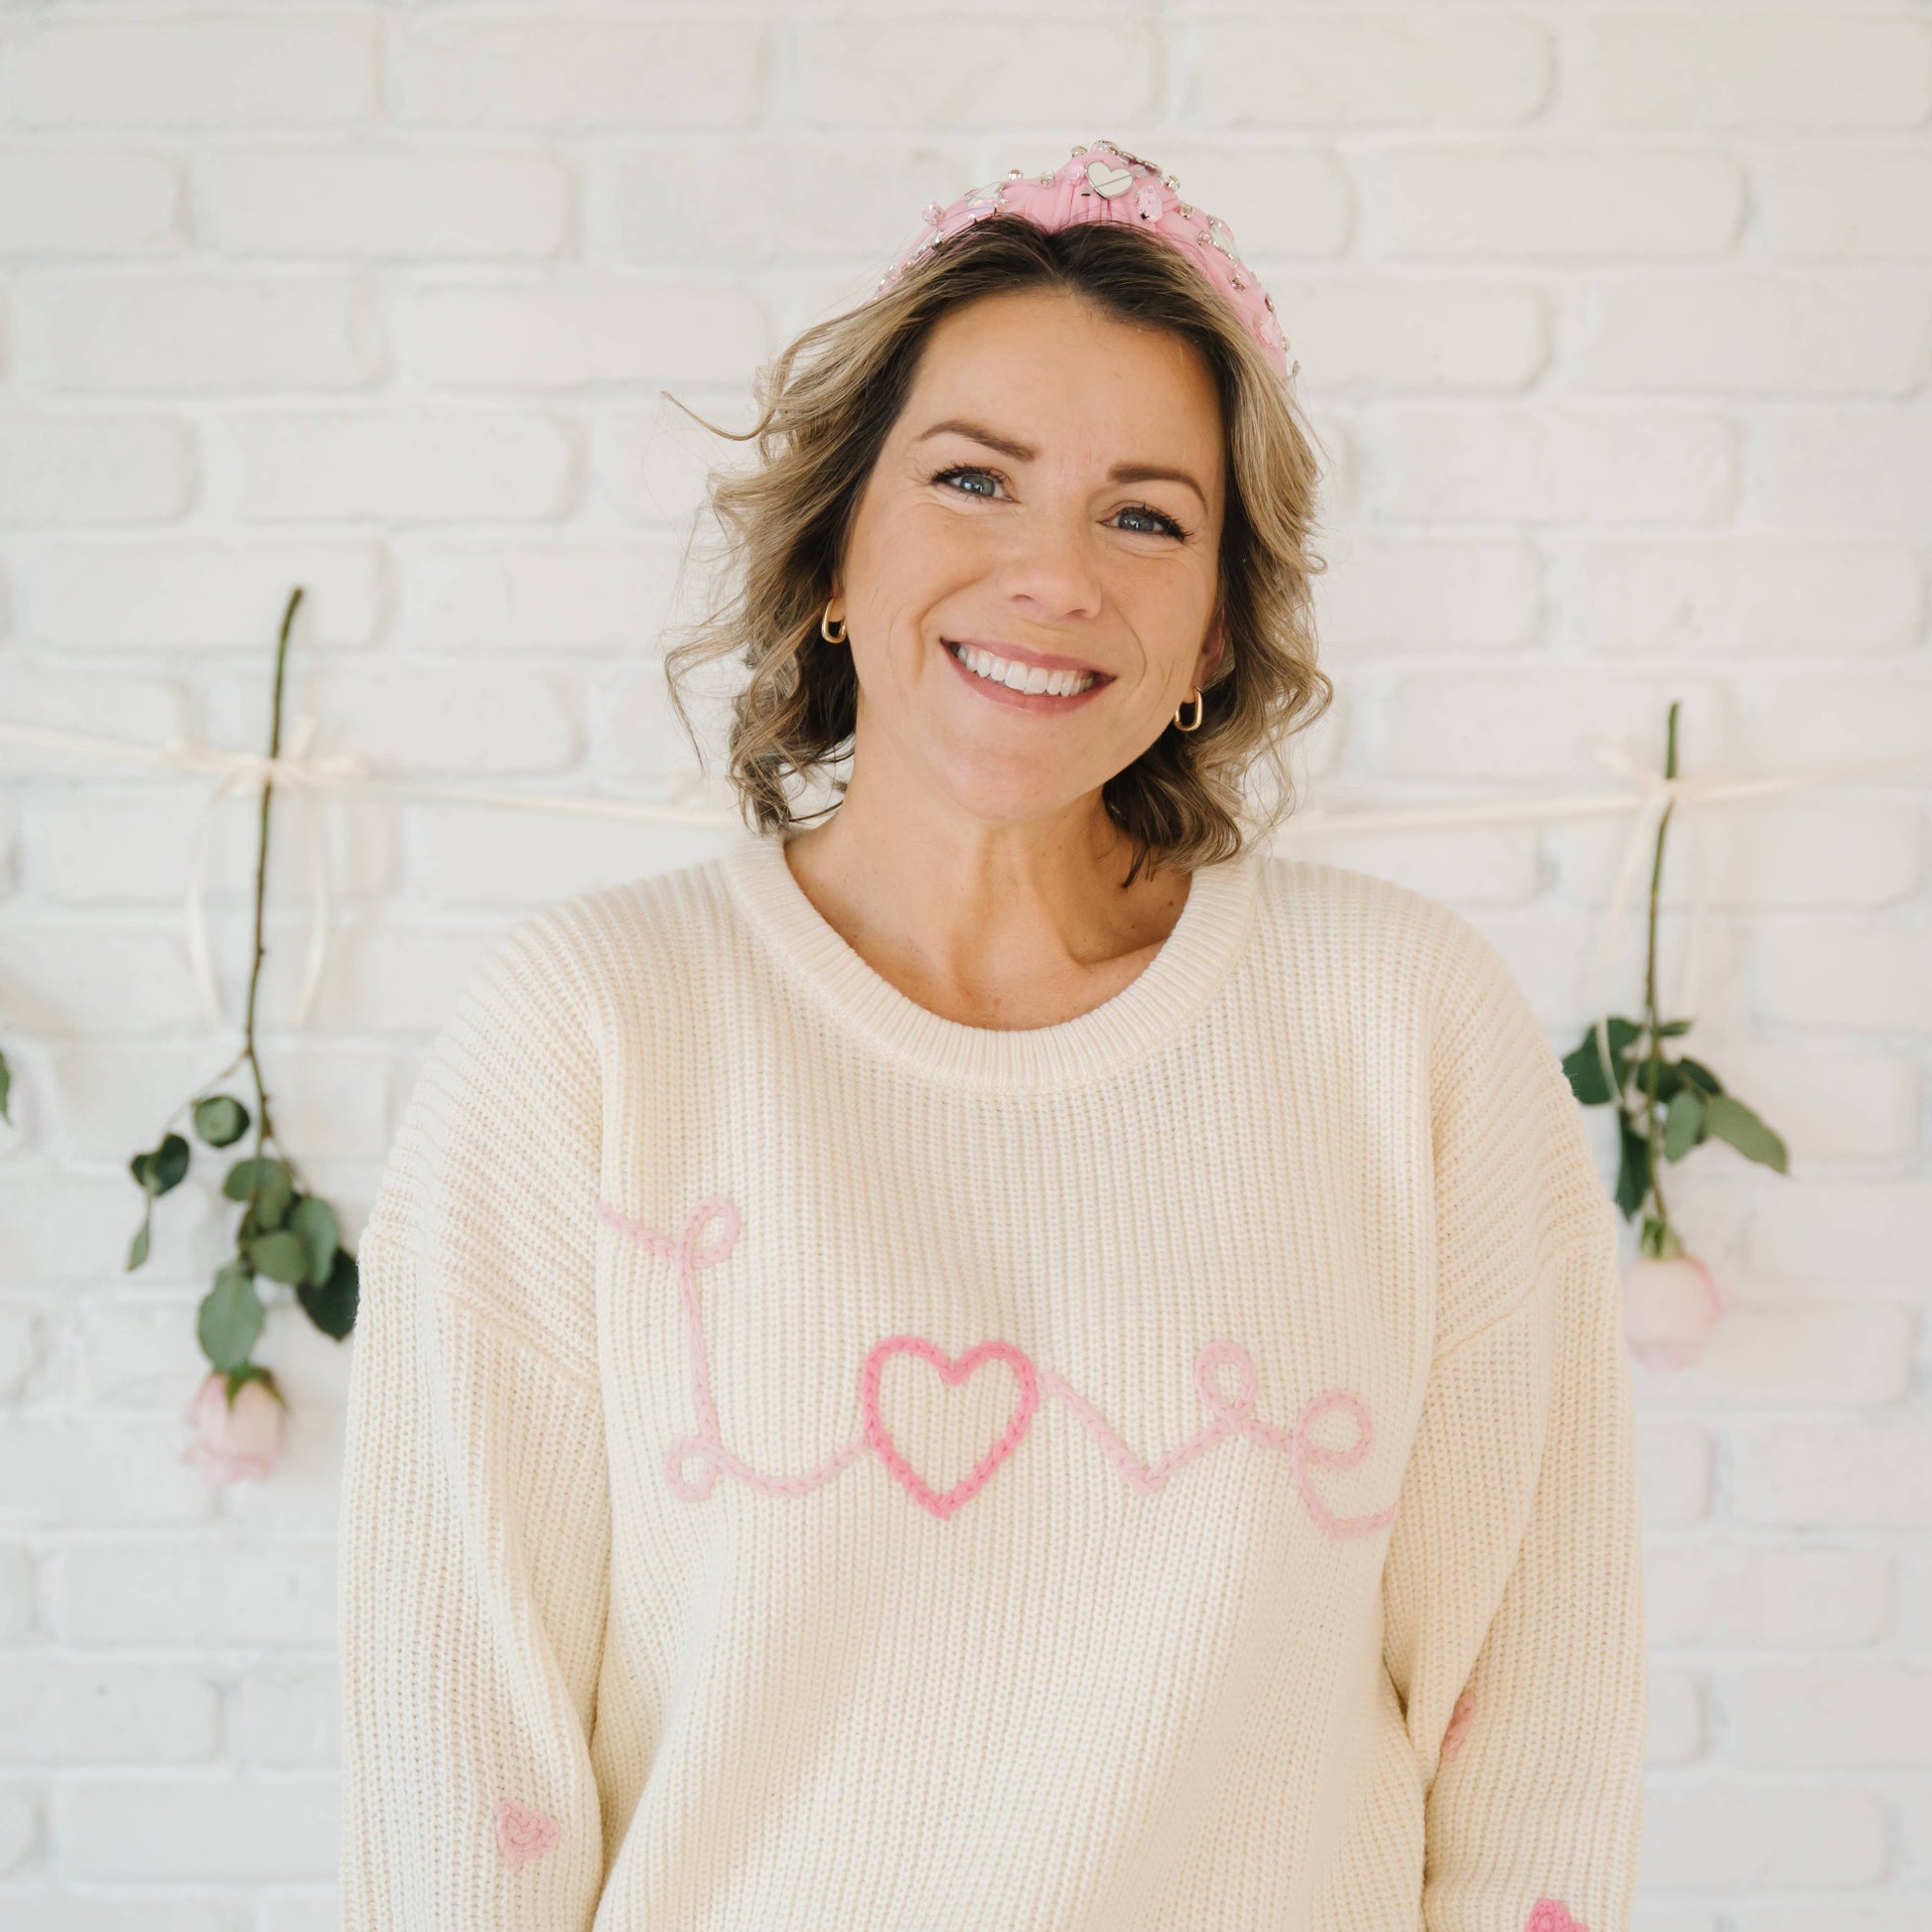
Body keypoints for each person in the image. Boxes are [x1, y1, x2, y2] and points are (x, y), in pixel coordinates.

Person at [336, 141, 1646, 1932]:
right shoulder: (591, 1034)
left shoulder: (1405, 1033)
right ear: (831, 551)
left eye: (1145, 514)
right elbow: (454, 1768)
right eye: (974, 480)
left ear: (1214, 628)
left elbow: (1535, 1742)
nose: (1052, 575)